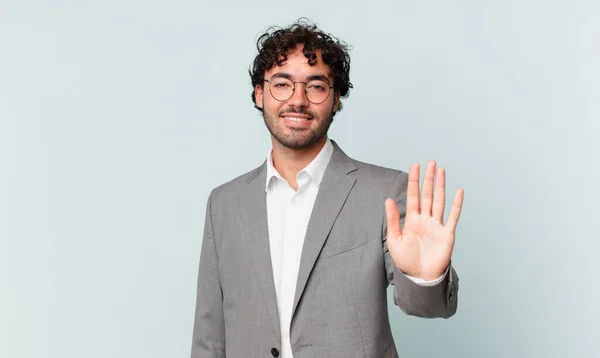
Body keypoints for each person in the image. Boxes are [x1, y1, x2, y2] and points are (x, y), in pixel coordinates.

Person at [191, 18, 464, 358]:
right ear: (259, 94)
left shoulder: (386, 192)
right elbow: (209, 335)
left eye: (316, 86)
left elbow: (427, 307)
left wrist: (426, 278)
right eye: (282, 84)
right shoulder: (224, 203)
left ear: (336, 99)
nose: (298, 100)